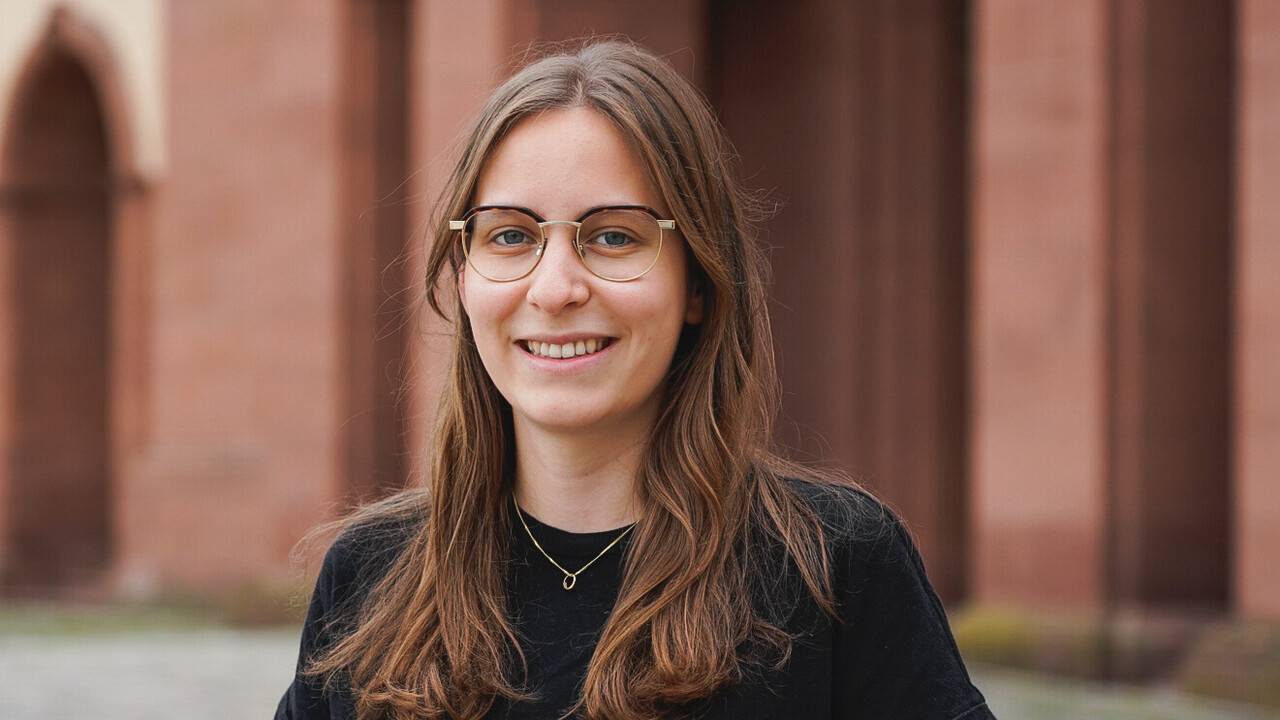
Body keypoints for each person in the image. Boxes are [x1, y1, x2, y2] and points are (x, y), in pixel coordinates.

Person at [276, 40, 994, 720]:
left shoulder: (834, 566)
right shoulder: (370, 576)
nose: (554, 288)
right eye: (511, 235)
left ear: (700, 284)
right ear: (464, 277)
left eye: (614, 235)